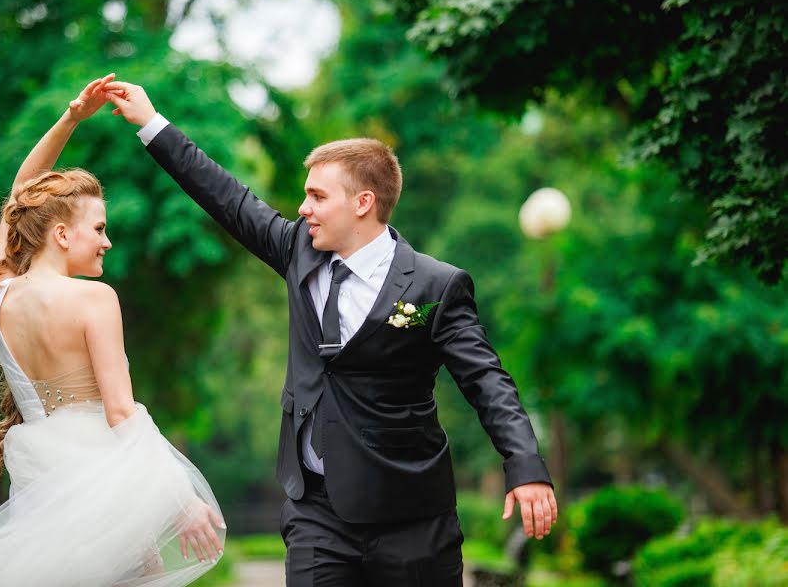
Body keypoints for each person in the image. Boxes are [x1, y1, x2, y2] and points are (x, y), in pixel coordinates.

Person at [104, 80, 557, 586]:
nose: (303, 208)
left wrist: (526, 464)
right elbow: (226, 196)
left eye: (317, 196)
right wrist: (151, 123)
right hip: (316, 514)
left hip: (412, 517)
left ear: (363, 203)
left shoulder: (436, 285)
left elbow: (487, 380)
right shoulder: (297, 248)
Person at [0, 76, 225, 587]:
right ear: (60, 233)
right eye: (98, 228)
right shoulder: (95, 300)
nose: (107, 241)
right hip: (105, 483)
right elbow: (121, 413)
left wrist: (71, 118)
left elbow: (20, 195)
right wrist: (179, 498)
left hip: (43, 482)